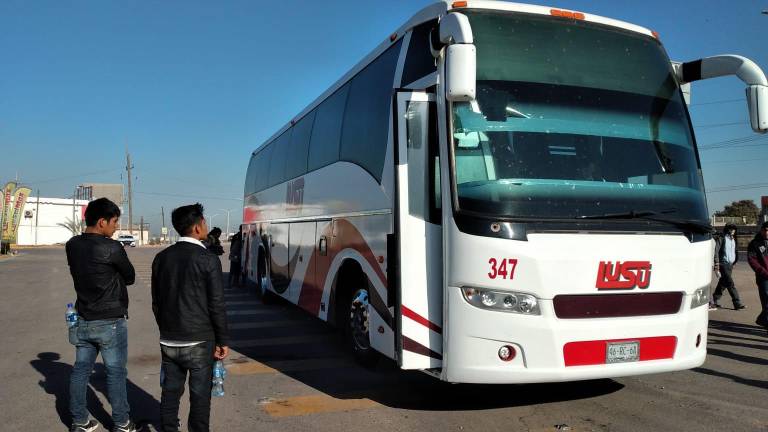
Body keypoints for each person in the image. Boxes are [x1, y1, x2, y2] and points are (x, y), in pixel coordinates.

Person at [151, 203, 230, 432]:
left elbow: (157, 302)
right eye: (204, 222)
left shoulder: (161, 258)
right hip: (199, 341)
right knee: (200, 397)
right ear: (197, 228)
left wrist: (166, 328)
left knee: (170, 393)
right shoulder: (208, 259)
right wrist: (222, 340)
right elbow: (216, 304)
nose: (205, 226)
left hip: (169, 339)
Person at [65, 198, 139, 432]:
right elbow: (130, 276)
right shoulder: (112, 247)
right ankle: (121, 422)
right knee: (116, 373)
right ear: (101, 222)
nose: (117, 227)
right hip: (110, 320)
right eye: (115, 221)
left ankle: (79, 420)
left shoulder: (72, 244)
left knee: (81, 370)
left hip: (83, 316)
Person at [712, 224, 746, 310]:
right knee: (730, 283)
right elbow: (716, 251)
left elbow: (734, 251)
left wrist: (734, 261)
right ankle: (737, 302)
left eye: (734, 229)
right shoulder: (722, 238)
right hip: (723, 264)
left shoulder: (733, 239)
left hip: (730, 265)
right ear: (727, 230)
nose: (732, 231)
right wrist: (717, 263)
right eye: (731, 229)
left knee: (723, 283)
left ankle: (715, 299)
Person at [747, 221, 768, 331]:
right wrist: (762, 271)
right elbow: (752, 260)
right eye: (765, 230)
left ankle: (762, 319)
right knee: (766, 300)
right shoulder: (755, 243)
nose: (767, 232)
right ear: (761, 230)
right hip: (763, 277)